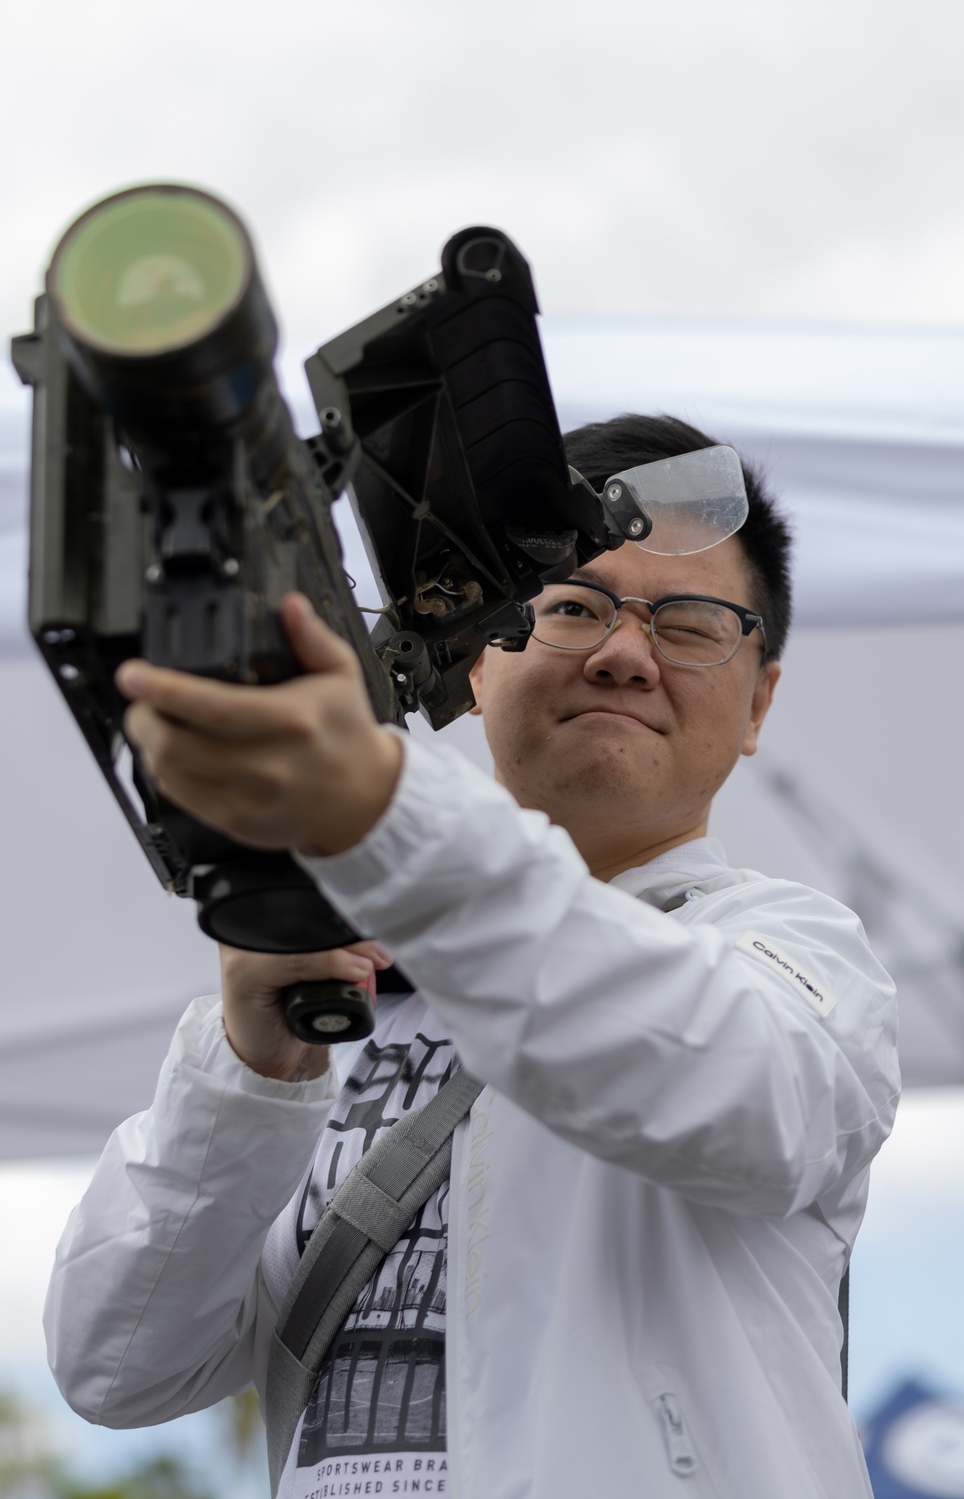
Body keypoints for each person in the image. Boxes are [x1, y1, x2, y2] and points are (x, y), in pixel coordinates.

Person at [45, 415, 898, 1499]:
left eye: (687, 623)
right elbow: (116, 1364)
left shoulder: (794, 956)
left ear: (758, 703)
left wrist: (383, 810)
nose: (623, 652)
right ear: (480, 664)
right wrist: (246, 1074)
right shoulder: (340, 986)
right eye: (571, 606)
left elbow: (737, 1083)